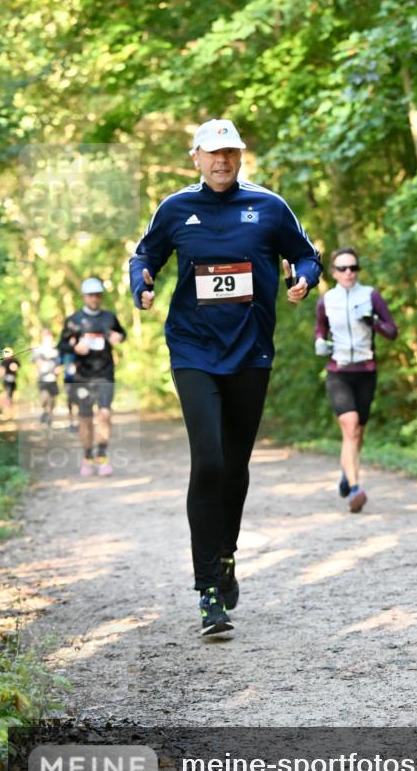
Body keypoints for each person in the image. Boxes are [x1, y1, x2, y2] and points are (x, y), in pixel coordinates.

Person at [129, 118, 322, 637]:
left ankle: (227, 551)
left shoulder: (269, 207)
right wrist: (139, 285)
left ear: (241, 157)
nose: (222, 161)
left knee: (235, 467)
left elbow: (306, 253)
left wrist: (303, 279)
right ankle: (208, 589)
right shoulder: (175, 209)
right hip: (192, 349)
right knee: (209, 460)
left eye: (231, 153)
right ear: (195, 157)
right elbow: (145, 254)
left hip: (251, 353)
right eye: (213, 153)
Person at [315, 246, 397, 513]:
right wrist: (319, 343)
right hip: (338, 372)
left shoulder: (370, 295)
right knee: (349, 426)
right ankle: (355, 488)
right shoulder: (326, 300)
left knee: (357, 432)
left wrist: (372, 320)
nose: (348, 272)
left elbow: (392, 331)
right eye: (342, 268)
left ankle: (346, 472)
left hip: (366, 372)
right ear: (334, 273)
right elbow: (320, 330)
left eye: (353, 268)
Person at [58, 277, 126, 477]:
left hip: (105, 373)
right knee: (85, 419)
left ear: (101, 296)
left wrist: (118, 337)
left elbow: (122, 334)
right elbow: (60, 346)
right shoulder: (74, 320)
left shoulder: (109, 317)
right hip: (82, 376)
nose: (94, 298)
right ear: (84, 296)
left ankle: (102, 456)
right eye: (90, 295)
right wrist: (74, 347)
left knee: (105, 414)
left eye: (97, 295)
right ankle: (87, 457)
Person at [32, 329, 60, 425]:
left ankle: (49, 416)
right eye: (46, 337)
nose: (48, 339)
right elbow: (35, 361)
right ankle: (45, 411)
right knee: (44, 397)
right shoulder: (38, 348)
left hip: (53, 378)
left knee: (52, 399)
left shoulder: (56, 348)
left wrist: (57, 368)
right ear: (43, 338)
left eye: (50, 336)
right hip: (42, 378)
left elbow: (59, 361)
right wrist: (40, 364)